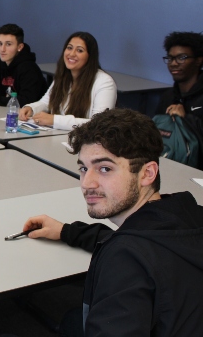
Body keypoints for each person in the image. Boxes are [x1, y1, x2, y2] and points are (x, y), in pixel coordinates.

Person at [21, 108, 203, 336]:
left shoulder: (125, 261)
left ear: (147, 173)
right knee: (72, 321)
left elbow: (132, 252)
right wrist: (67, 231)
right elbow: (144, 243)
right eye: (84, 168)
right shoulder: (188, 216)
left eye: (104, 169)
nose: (87, 183)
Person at [18, 31, 117, 130]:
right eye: (69, 48)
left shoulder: (104, 82)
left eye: (80, 50)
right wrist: (30, 109)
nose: (72, 54)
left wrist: (54, 120)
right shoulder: (63, 76)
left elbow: (98, 123)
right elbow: (46, 102)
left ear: (90, 56)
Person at [156, 31, 203, 167]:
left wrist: (185, 119)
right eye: (170, 58)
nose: (173, 64)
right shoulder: (168, 96)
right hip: (168, 161)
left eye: (181, 58)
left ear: (198, 60)